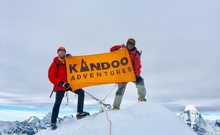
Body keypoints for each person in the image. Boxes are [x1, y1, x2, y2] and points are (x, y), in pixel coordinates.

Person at [48, 46, 89, 130]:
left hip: (69, 84)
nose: (62, 53)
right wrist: (61, 83)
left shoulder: (67, 62)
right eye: (60, 52)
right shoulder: (55, 63)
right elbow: (51, 76)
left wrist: (71, 59)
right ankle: (53, 122)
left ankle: (79, 113)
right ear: (58, 53)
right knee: (57, 103)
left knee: (81, 92)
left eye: (63, 52)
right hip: (60, 86)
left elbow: (75, 66)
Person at [110, 38, 147, 110]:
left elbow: (138, 65)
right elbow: (112, 50)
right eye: (129, 43)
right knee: (120, 90)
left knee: (141, 82)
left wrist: (137, 74)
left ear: (134, 45)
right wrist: (120, 46)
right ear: (127, 43)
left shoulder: (136, 54)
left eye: (132, 44)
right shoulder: (122, 50)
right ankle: (115, 107)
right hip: (124, 74)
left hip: (133, 74)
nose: (130, 45)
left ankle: (142, 99)